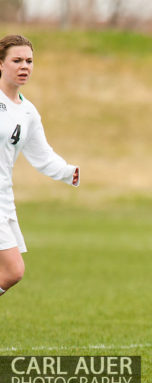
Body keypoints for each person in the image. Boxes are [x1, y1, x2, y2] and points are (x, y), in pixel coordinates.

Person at [0, 35, 79, 297]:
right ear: (1, 64)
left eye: (29, 61)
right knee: (13, 270)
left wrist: (69, 172)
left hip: (4, 199)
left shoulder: (28, 112)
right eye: (17, 60)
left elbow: (42, 155)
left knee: (11, 272)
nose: (25, 66)